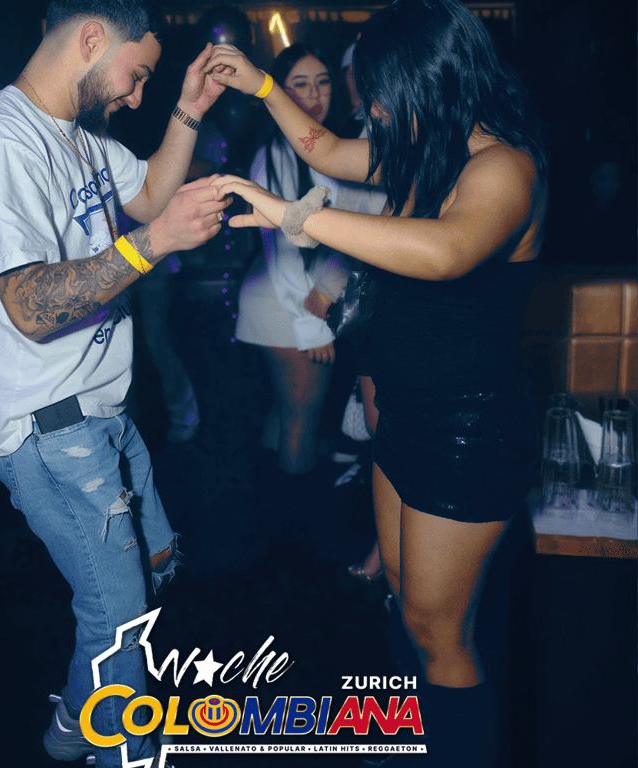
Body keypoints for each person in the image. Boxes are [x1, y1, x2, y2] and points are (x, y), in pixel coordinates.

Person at [206, 0, 548, 764]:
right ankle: (414, 743)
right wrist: (262, 86)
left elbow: (446, 251)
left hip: (468, 434)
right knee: (401, 594)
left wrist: (294, 218)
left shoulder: (504, 166)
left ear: (432, 78)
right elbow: (326, 149)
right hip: (405, 416)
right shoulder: (425, 151)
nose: (376, 111)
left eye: (383, 93)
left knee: (440, 630)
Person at [0, 1, 231, 765]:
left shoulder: (77, 137)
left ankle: (79, 711)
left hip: (101, 412)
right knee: (120, 616)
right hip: (50, 428)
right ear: (93, 38)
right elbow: (30, 307)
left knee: (157, 564)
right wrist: (151, 245)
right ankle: (118, 749)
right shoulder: (3, 144)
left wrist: (189, 110)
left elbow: (150, 197)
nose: (136, 96)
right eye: (138, 76)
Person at [236, 43, 385, 491]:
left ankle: (268, 510)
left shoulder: (328, 147)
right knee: (302, 420)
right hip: (286, 304)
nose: (314, 95)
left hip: (295, 301)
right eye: (299, 84)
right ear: (278, 92)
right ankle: (296, 521)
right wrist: (309, 326)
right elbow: (279, 249)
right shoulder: (276, 152)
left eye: (322, 82)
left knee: (287, 415)